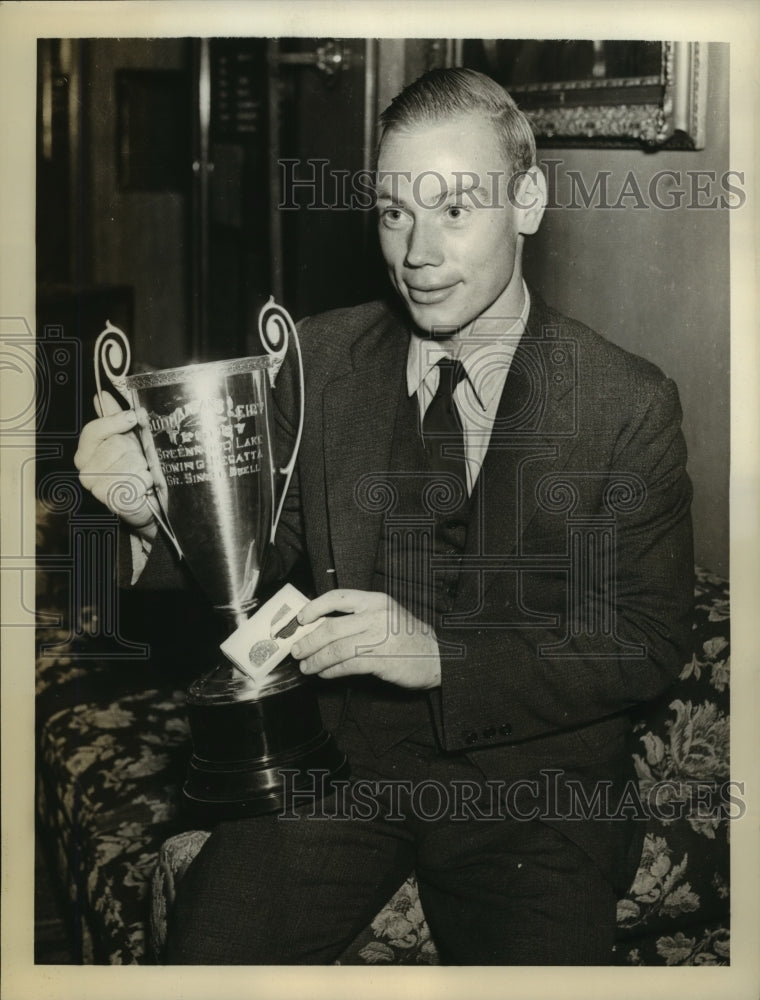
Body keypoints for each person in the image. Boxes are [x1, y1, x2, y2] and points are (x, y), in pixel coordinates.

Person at [74, 68, 694, 964]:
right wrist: (141, 519)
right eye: (394, 212)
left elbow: (644, 635)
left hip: (531, 789)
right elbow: (260, 547)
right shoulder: (320, 360)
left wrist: (440, 654)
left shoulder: (625, 402)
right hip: (340, 764)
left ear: (528, 202)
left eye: (453, 210)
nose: (417, 252)